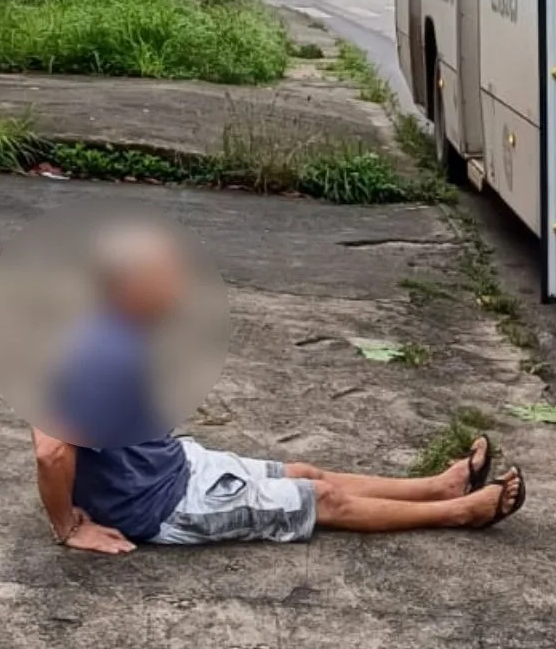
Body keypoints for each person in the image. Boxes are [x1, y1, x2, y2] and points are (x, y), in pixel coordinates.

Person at [31, 221, 526, 555]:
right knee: (322, 498)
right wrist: (68, 526)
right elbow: (51, 449)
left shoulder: (108, 330)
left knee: (305, 471)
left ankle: (438, 486)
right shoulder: (104, 354)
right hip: (165, 505)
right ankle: (458, 513)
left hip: (175, 466)